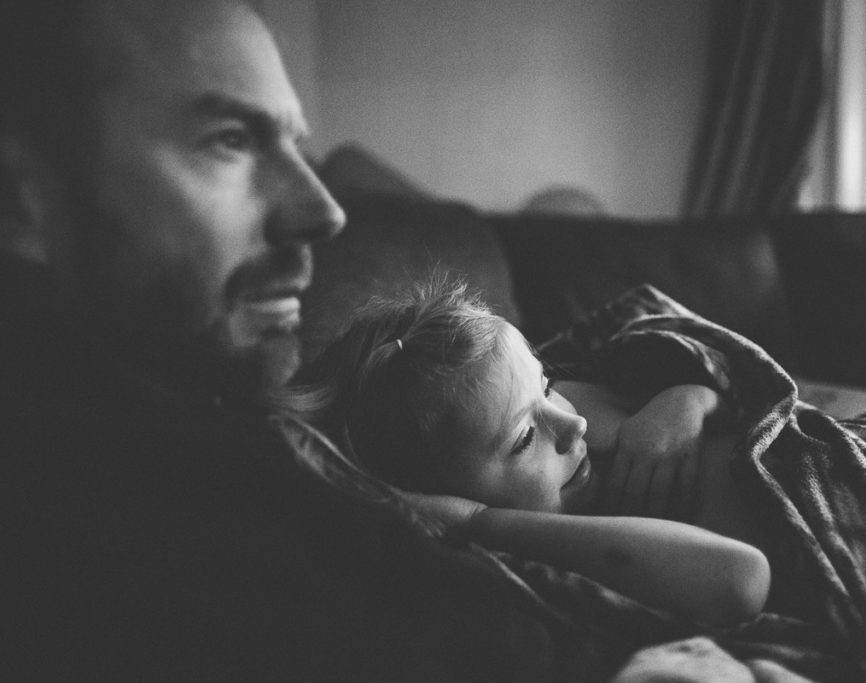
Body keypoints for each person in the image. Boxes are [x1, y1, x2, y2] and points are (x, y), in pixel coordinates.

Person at [2, 1, 722, 680]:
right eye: (229, 140)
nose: (323, 210)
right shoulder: (96, 540)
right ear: (22, 202)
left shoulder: (237, 445)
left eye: (297, 146)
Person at [284, 279, 771, 626]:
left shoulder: (582, 393)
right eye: (522, 440)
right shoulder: (534, 552)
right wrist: (473, 522)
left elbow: (732, 379)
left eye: (546, 386)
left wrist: (687, 399)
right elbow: (740, 579)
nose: (572, 421)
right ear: (436, 497)